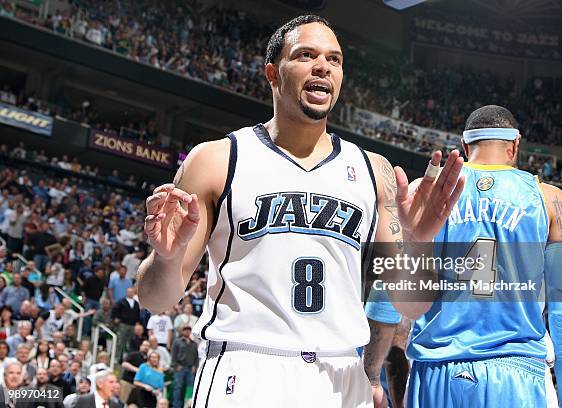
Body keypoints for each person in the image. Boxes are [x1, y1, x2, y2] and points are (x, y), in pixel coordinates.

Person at [136, 15, 463, 407]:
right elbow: (155, 299)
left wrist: (420, 241)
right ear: (273, 74)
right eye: (306, 55)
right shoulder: (217, 159)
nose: (323, 66)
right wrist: (167, 258)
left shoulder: (374, 172)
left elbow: (412, 304)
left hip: (341, 375)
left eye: (334, 59)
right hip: (246, 364)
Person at [364, 105, 562, 407]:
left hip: (436, 372)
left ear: (465, 146)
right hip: (517, 373)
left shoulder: (426, 192)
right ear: (516, 144)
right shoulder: (550, 200)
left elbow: (385, 296)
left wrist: (371, 377)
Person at [171, 325, 198, 408]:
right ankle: (176, 406)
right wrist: (176, 365)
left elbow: (196, 356)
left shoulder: (194, 343)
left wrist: (195, 366)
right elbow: (173, 355)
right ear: (182, 331)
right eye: (185, 329)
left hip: (190, 368)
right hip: (180, 368)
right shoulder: (177, 342)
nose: (187, 331)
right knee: (178, 388)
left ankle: (187, 405)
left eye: (188, 330)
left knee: (190, 388)